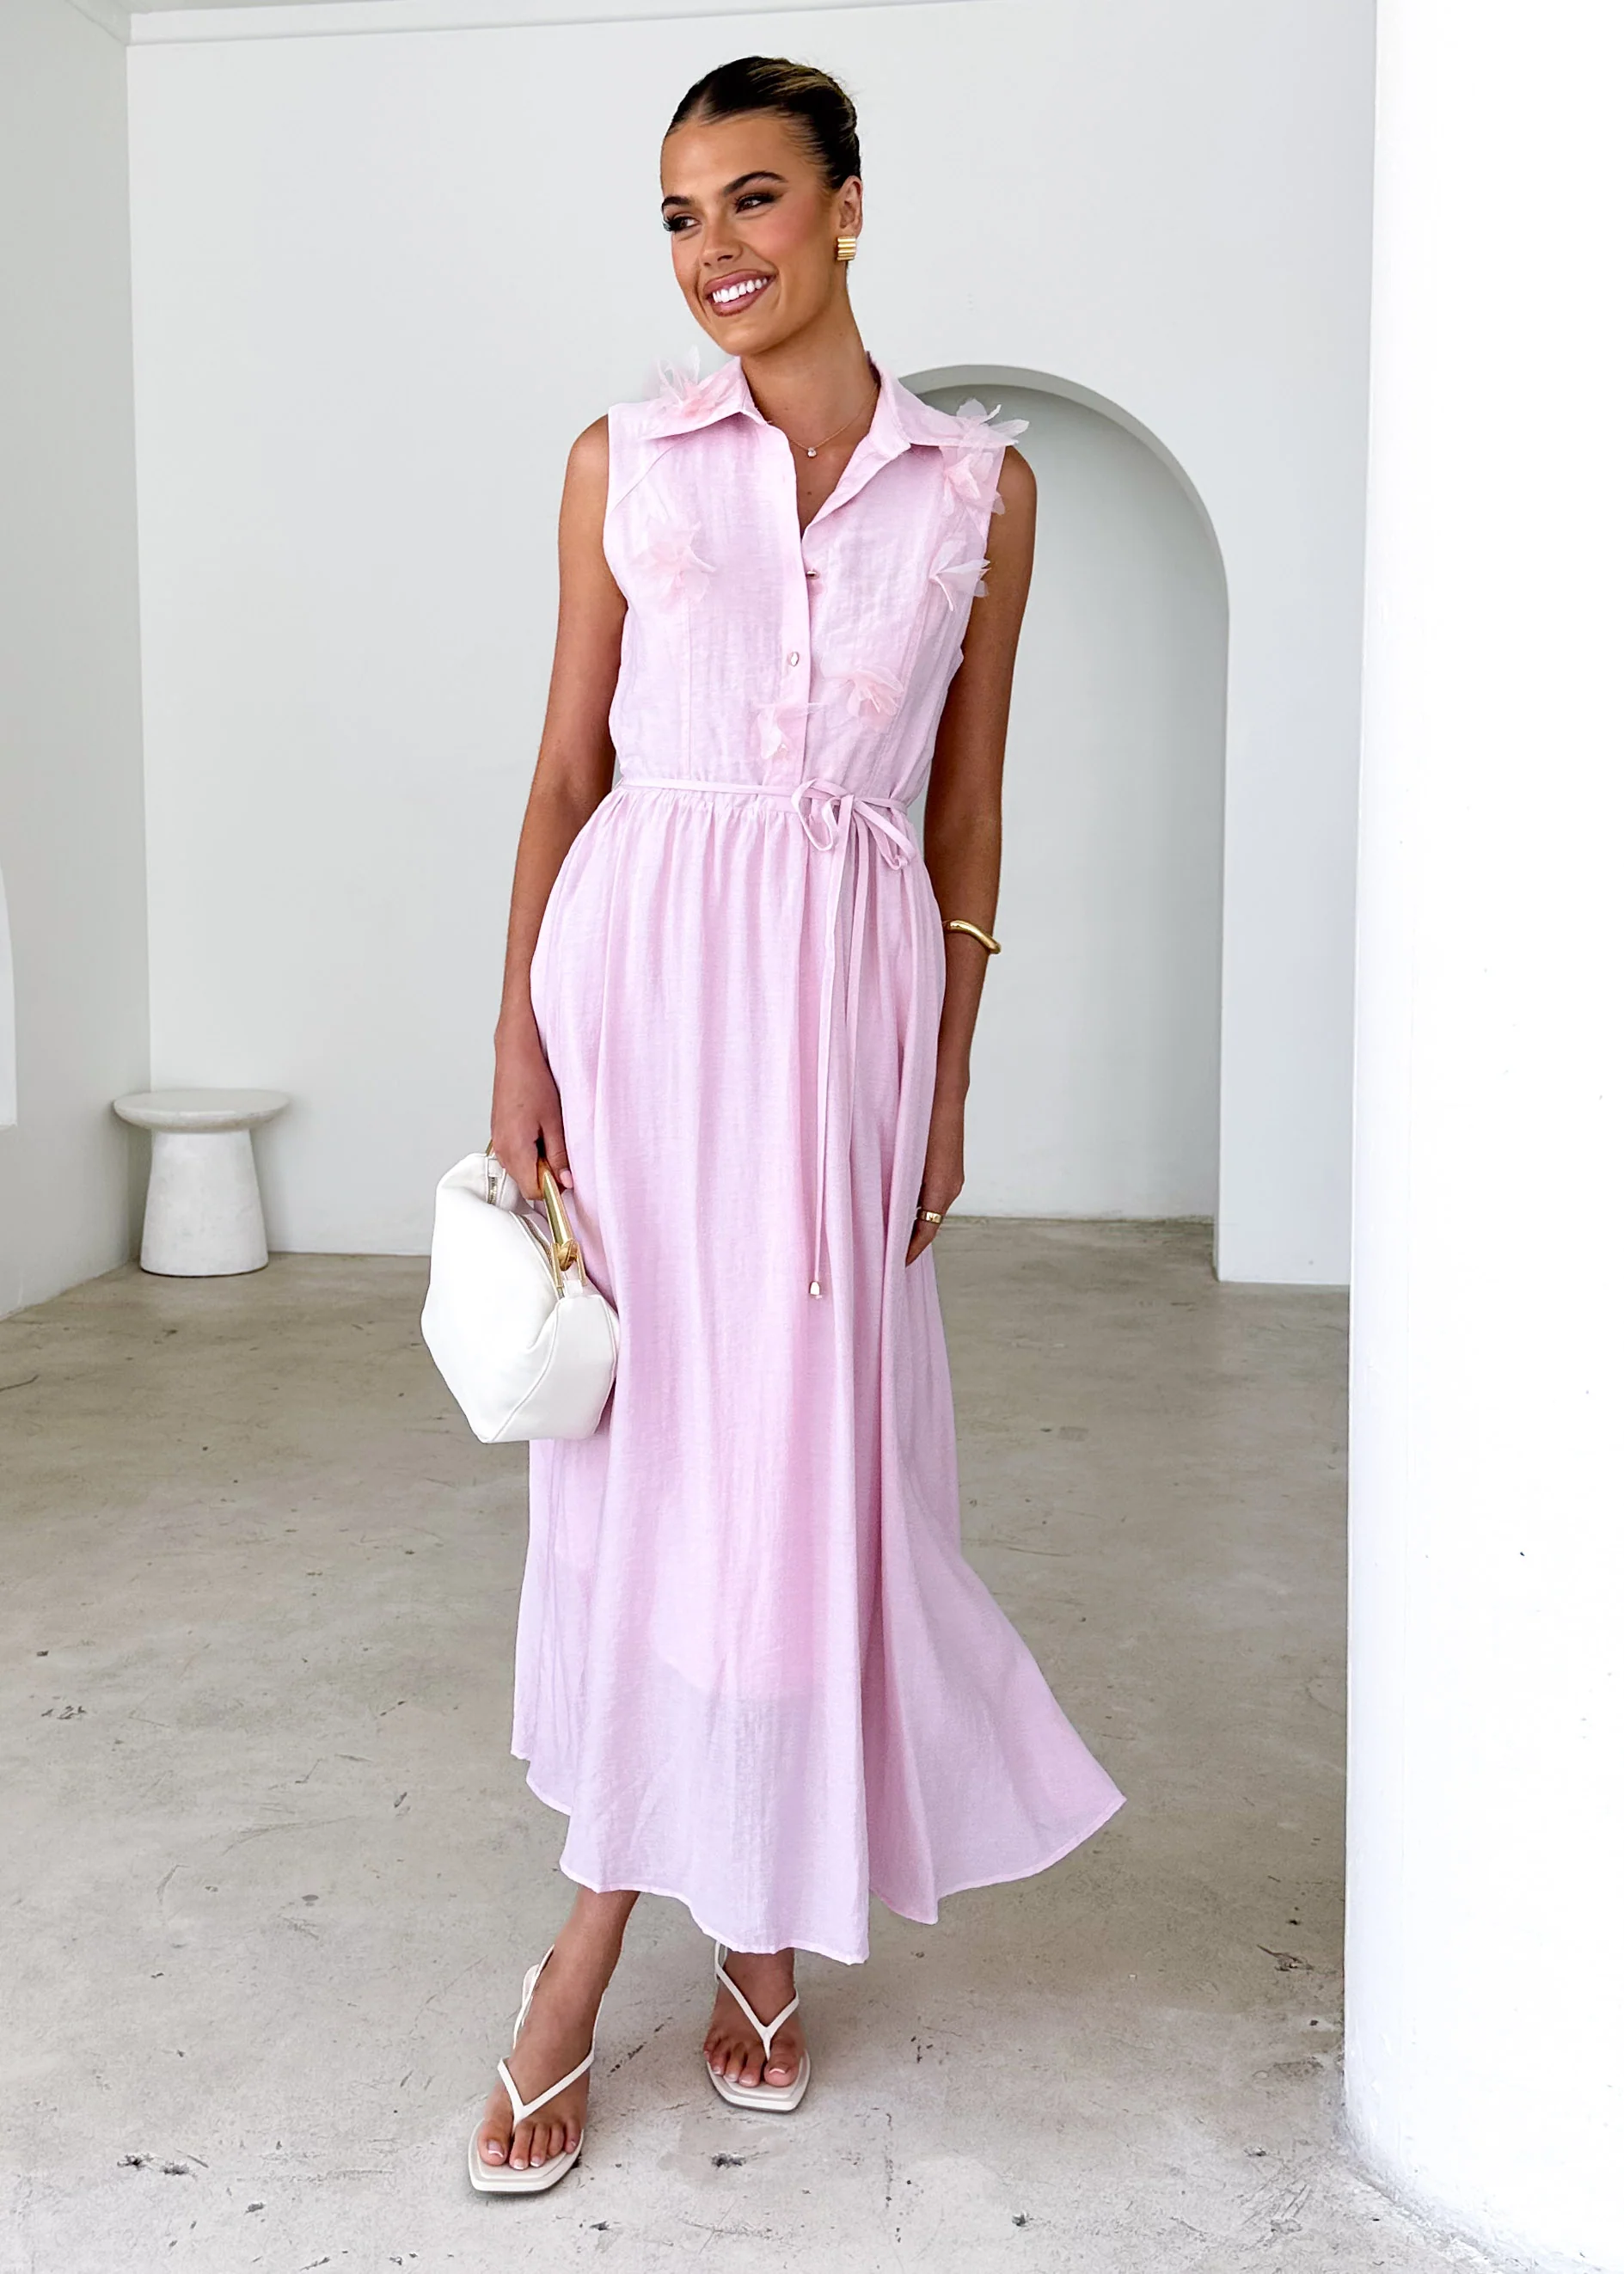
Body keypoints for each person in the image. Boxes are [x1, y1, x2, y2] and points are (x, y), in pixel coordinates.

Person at [473, 54, 1124, 2192]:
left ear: (846, 205)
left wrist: (948, 1070)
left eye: (750, 199)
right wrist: (517, 1050)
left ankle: (753, 1909)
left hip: (846, 1009)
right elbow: (565, 772)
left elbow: (965, 810)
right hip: (638, 990)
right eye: (678, 215)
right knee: (654, 1461)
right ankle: (595, 1947)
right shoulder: (624, 460)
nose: (712, 251)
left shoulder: (975, 491)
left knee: (800, 1465)